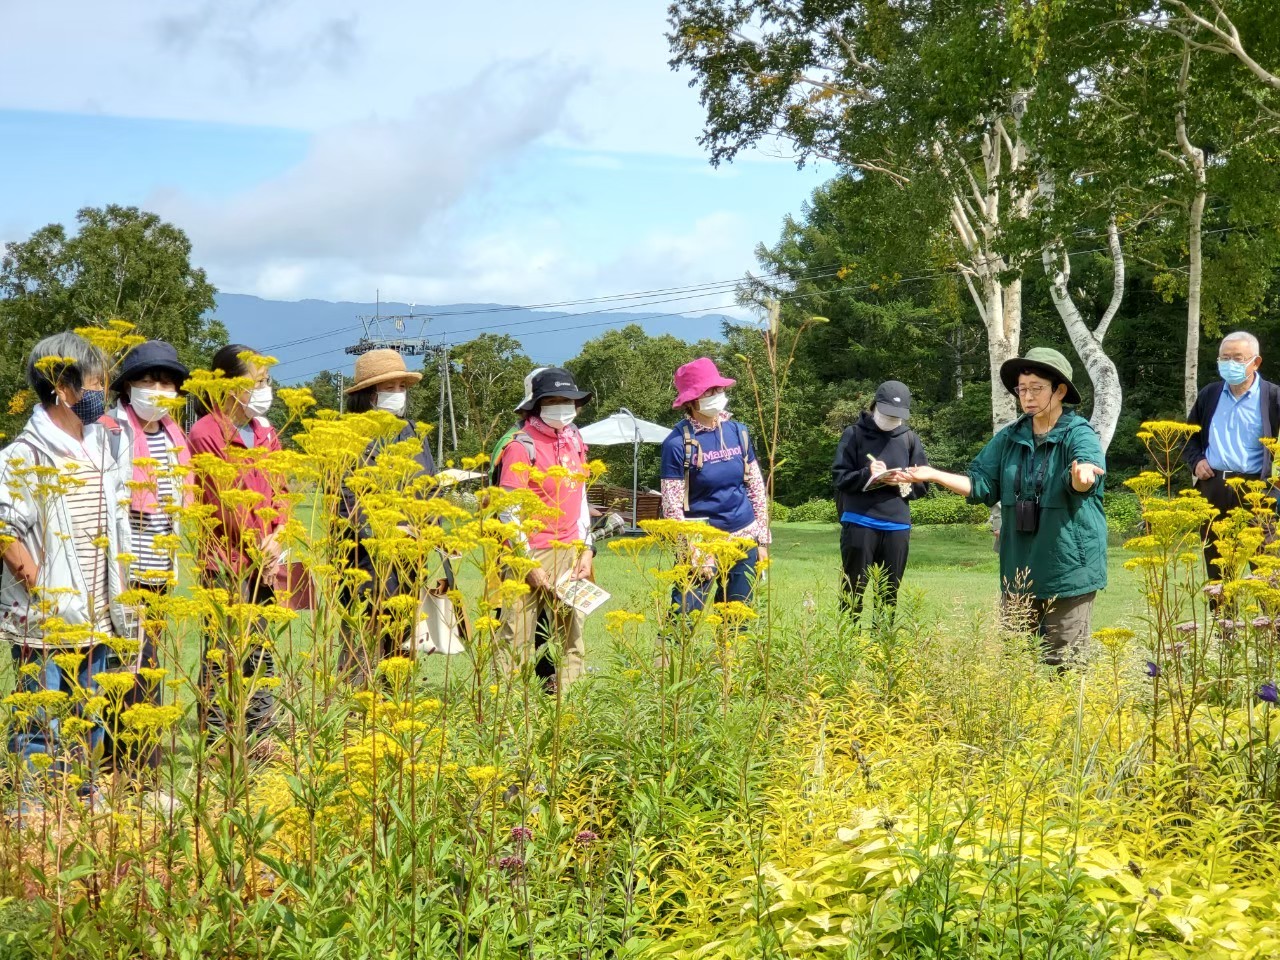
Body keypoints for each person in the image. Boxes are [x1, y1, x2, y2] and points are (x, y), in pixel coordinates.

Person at [895, 347, 1107, 668]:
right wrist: (933, 474)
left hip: (1067, 575)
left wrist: (1081, 477)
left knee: (1067, 670)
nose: (1028, 397)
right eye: (1022, 390)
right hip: (1018, 573)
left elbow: (1085, 474)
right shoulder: (1010, 437)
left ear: (1059, 390)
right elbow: (981, 483)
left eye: (1037, 388)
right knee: (1015, 670)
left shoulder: (1078, 435)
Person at [0, 333, 135, 803]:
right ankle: (32, 809)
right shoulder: (25, 453)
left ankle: (82, 799)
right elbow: (5, 532)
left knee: (90, 716)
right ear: (63, 386)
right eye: (94, 380)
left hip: (99, 615)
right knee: (40, 723)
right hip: (46, 622)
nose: (102, 389)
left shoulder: (102, 445)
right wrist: (45, 595)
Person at [187, 343, 285, 743]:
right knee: (224, 652)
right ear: (228, 386)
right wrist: (259, 545)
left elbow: (281, 490)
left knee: (261, 649)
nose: (264, 388)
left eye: (266, 380)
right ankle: (217, 737)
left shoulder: (266, 431)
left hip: (266, 560)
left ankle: (259, 735)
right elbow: (224, 498)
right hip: (226, 560)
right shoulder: (206, 432)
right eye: (256, 381)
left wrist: (279, 536)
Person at [104, 340, 192, 770]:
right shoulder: (110, 431)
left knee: (149, 666)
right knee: (122, 668)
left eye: (165, 381)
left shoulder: (175, 435)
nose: (157, 389)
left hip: (159, 570)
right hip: (121, 571)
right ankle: (120, 767)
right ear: (128, 387)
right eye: (147, 380)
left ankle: (143, 769)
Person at [337, 349, 436, 682]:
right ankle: (353, 718)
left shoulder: (410, 432)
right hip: (364, 560)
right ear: (368, 394)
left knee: (403, 640)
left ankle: (396, 710)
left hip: (411, 557)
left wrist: (432, 530)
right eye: (389, 387)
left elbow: (430, 486)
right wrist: (390, 530)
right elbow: (346, 499)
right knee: (362, 640)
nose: (397, 394)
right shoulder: (350, 435)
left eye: (401, 387)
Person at [494, 366, 595, 692]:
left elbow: (580, 496)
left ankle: (569, 709)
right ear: (536, 405)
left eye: (568, 400)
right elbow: (508, 512)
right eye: (553, 400)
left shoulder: (575, 439)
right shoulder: (520, 446)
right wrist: (528, 564)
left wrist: (587, 549)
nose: (562, 407)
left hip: (570, 549)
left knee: (573, 636)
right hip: (530, 553)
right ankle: (505, 716)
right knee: (516, 636)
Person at [659, 357, 771, 612]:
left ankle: (728, 654)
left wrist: (762, 542)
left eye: (718, 389)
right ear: (691, 400)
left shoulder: (738, 432)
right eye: (708, 391)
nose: (717, 395)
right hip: (701, 541)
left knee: (737, 617)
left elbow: (755, 488)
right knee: (684, 616)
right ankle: (668, 654)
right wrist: (691, 552)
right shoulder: (677, 443)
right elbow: (672, 506)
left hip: (744, 537)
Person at [1182, 331, 1280, 580]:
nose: (1230, 364)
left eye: (1237, 358)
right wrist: (1196, 462)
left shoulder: (1272, 397)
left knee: (1266, 563)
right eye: (1224, 358)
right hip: (1213, 486)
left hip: (1257, 490)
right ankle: (1223, 619)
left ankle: (1271, 619)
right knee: (1218, 565)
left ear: (1255, 362)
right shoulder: (1210, 394)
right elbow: (1189, 436)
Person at [831, 380, 929, 616]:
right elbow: (840, 477)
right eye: (887, 414)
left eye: (897, 416)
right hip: (859, 521)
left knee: (888, 595)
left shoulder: (910, 438)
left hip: (897, 525)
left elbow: (923, 483)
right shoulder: (853, 434)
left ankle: (882, 647)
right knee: (852, 593)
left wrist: (903, 481)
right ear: (875, 406)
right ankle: (848, 647)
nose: (891, 420)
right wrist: (868, 474)